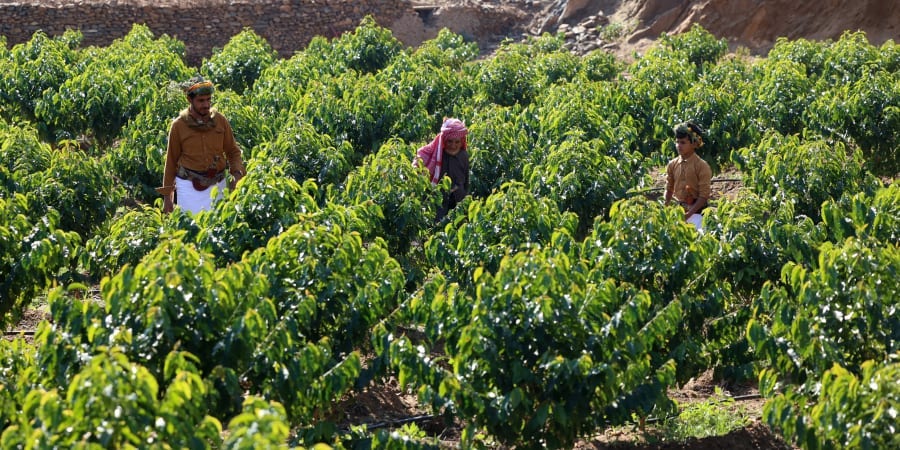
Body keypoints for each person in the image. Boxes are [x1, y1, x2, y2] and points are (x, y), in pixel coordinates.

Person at [157, 77, 245, 214]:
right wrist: (167, 197)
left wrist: (237, 174)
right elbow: (171, 162)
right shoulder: (179, 126)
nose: (206, 104)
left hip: (218, 185)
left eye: (208, 99)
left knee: (218, 227)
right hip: (188, 188)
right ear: (189, 100)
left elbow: (233, 152)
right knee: (191, 229)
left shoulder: (220, 121)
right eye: (201, 101)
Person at [415, 118, 470, 221]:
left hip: (458, 199)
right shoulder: (437, 155)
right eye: (450, 141)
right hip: (439, 202)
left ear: (461, 141)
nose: (453, 145)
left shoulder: (463, 156)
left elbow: (466, 179)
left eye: (457, 142)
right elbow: (420, 164)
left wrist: (465, 198)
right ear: (444, 140)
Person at [664, 121, 712, 231]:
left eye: (683, 143)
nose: (678, 146)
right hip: (679, 212)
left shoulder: (701, 166)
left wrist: (688, 214)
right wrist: (665, 207)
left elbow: (703, 197)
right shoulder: (672, 164)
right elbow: (669, 188)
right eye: (677, 142)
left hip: (697, 214)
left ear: (694, 144)